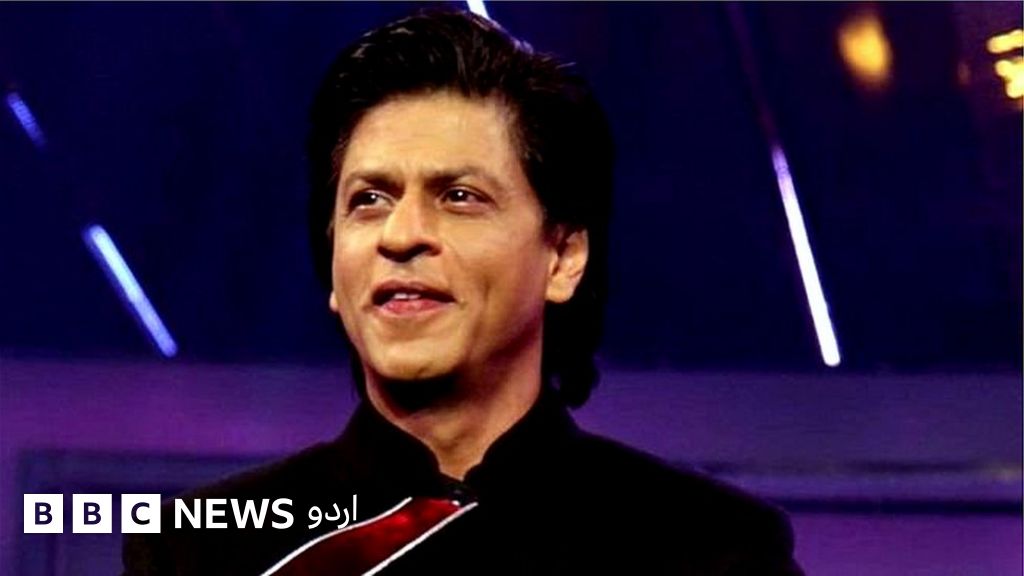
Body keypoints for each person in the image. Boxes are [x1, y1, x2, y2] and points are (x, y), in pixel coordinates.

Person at [123, 9, 803, 575]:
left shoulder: (712, 547)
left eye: (459, 196)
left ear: (563, 257)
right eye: (369, 200)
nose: (401, 235)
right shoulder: (200, 549)